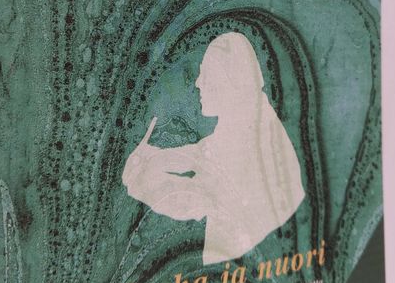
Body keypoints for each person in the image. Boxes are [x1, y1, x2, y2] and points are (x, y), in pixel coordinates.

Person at [122, 32, 305, 264]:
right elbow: (202, 152)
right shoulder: (253, 117)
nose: (199, 83)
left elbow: (193, 199)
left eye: (207, 74)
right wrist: (157, 157)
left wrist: (140, 182)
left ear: (232, 80)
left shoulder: (244, 141)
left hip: (240, 265)